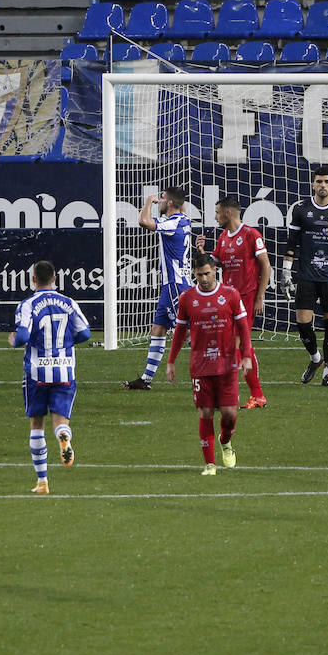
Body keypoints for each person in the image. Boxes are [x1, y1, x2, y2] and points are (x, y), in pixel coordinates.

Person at [164, 253, 253, 476]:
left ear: (214, 270)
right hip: (200, 365)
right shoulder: (187, 298)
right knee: (205, 412)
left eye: (206, 274)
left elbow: (243, 327)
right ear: (194, 274)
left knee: (230, 413)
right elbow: (180, 331)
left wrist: (246, 355)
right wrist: (171, 361)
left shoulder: (230, 294)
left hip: (227, 363)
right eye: (199, 275)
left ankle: (225, 440)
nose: (203, 279)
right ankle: (210, 464)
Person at [10, 260, 92, 494]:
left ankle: (42, 482)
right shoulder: (68, 302)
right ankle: (63, 436)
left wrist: (14, 341)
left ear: (33, 279)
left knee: (37, 424)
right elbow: (85, 333)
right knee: (60, 420)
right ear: (55, 279)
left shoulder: (28, 304)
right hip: (65, 369)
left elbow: (23, 335)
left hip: (37, 372)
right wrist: (66, 343)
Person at [281, 166, 328, 387]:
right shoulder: (301, 210)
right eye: (318, 181)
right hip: (306, 275)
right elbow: (292, 241)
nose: (323, 185)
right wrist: (286, 270)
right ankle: (316, 359)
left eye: (327, 181)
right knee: (303, 323)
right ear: (313, 184)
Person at [124, 187, 192, 391]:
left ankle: (214, 371)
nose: (159, 202)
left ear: (170, 203)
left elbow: (143, 221)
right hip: (171, 285)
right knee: (158, 329)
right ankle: (146, 378)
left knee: (188, 332)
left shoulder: (172, 222)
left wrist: (148, 202)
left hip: (175, 285)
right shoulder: (183, 219)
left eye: (162, 199)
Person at [209, 195, 271, 409]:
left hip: (247, 298)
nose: (215, 217)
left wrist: (259, 296)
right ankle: (257, 395)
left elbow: (266, 266)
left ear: (228, 213)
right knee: (243, 346)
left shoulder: (251, 234)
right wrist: (202, 253)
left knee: (234, 345)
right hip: (228, 300)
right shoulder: (223, 237)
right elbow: (213, 263)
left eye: (217, 212)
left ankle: (230, 395)